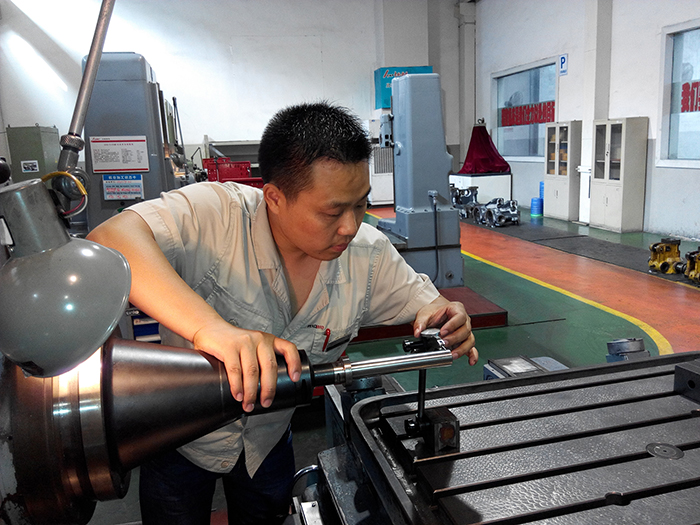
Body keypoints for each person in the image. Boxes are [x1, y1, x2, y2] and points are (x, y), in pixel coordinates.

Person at [87, 101, 478, 524]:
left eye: (360, 205)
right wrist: (210, 329)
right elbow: (110, 238)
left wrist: (447, 318)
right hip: (178, 440)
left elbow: (431, 307)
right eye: (332, 211)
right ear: (274, 197)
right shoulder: (216, 216)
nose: (350, 226)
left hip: (267, 443)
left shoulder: (368, 254)